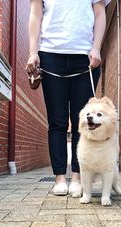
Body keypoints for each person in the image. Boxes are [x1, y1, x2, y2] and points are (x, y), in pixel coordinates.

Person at [26, 0, 110, 196]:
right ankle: (59, 179)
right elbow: (36, 15)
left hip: (85, 57)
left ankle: (78, 177)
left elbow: (100, 14)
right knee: (57, 122)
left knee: (83, 121)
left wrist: (96, 47)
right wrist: (32, 52)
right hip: (50, 56)